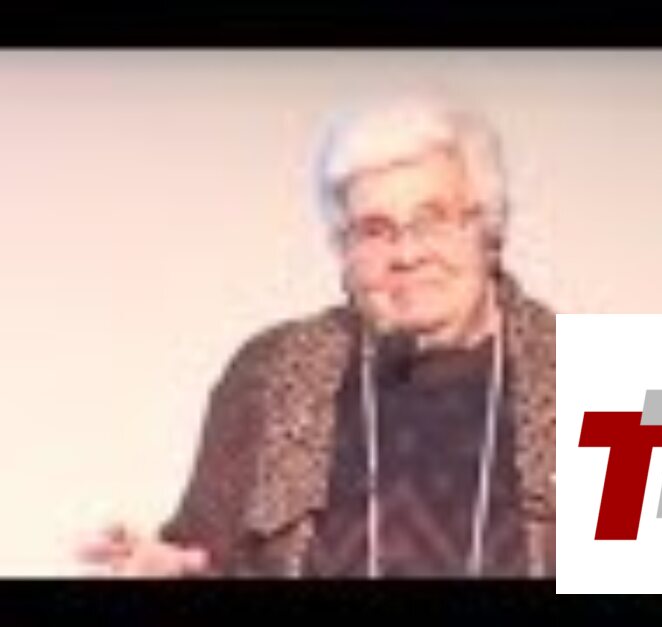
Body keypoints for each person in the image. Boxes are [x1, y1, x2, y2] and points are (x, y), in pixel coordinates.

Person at [79, 92, 556, 578]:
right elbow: (204, 557)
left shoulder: (599, 385)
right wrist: (171, 572)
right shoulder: (268, 374)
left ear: (488, 229)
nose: (407, 254)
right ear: (343, 250)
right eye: (374, 230)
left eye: (432, 221)